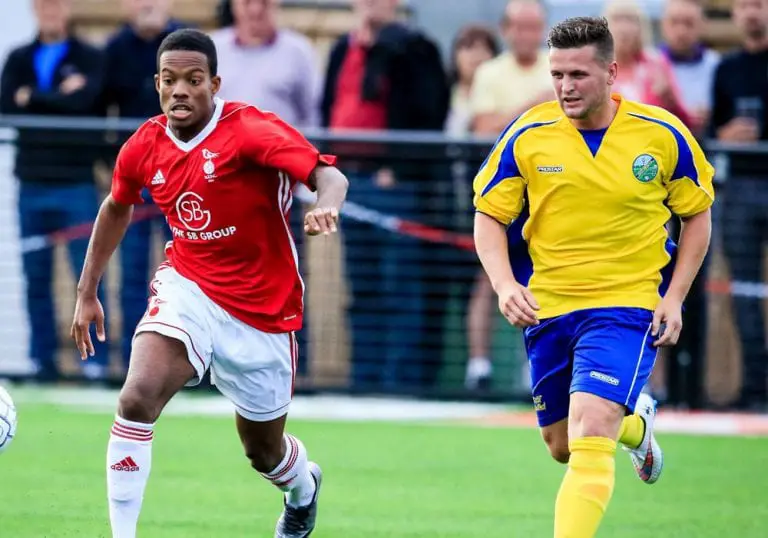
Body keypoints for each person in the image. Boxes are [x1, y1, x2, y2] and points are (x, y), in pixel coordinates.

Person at [70, 29, 348, 538]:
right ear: (157, 84)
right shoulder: (144, 146)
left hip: (264, 310)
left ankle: (302, 489)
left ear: (214, 83)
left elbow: (329, 176)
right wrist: (87, 292)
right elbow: (116, 207)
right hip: (188, 288)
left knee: (263, 452)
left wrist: (326, 204)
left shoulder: (251, 131)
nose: (180, 90)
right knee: (137, 398)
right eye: (170, 80)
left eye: (193, 80)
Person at [473, 16, 713, 538]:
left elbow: (696, 215)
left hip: (626, 306)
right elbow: (488, 216)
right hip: (550, 307)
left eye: (578, 75)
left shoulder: (663, 134)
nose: (565, 87)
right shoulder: (530, 134)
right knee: (563, 444)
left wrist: (673, 297)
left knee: (590, 425)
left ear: (611, 72)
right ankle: (638, 425)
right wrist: (505, 284)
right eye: (557, 74)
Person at [0, 0, 109, 381]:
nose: (50, 10)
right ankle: (40, 361)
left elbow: (86, 103)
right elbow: (7, 105)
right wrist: (58, 98)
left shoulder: (90, 57)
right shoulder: (18, 57)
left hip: (77, 182)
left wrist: (33, 98)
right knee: (35, 276)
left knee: (88, 277)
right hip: (31, 182)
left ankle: (94, 364)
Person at [102, 0, 186, 370]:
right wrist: (114, 166)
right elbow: (98, 105)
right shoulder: (116, 48)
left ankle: (188, 365)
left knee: (190, 274)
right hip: (137, 180)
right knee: (133, 274)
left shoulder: (186, 43)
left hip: (185, 178)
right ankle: (134, 364)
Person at [710, 0, 768, 410]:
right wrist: (726, 132)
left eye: (759, 4)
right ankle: (754, 388)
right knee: (743, 293)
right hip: (741, 190)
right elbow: (713, 129)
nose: (752, 12)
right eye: (745, 5)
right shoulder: (726, 69)